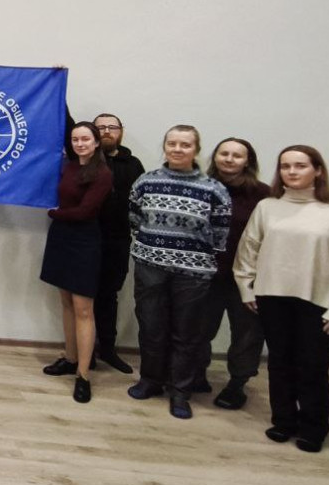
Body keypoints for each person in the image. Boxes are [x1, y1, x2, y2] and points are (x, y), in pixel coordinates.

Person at [234, 145, 329, 453]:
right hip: (272, 298)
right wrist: (246, 288)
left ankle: (313, 427)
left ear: (317, 170)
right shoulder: (268, 207)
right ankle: (284, 421)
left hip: (318, 301)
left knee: (313, 367)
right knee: (279, 363)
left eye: (300, 166)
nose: (291, 171)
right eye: (285, 166)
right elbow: (247, 251)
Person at [127, 125, 231, 420]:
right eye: (172, 143)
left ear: (196, 150)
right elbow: (134, 218)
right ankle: (150, 381)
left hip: (193, 272)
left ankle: (180, 392)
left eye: (185, 145)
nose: (177, 149)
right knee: (151, 327)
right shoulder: (146, 182)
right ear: (165, 147)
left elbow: (221, 234)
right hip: (150, 266)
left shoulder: (214, 189)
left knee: (186, 334)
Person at [40, 122, 113, 403]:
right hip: (61, 238)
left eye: (85, 139)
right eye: (75, 139)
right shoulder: (69, 166)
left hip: (84, 242)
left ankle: (83, 374)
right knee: (66, 303)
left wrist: (54, 213)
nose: (80, 143)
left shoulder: (102, 173)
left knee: (84, 309)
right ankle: (70, 358)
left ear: (96, 143)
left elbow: (84, 212)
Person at [196, 137, 270, 409]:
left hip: (247, 279)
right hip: (206, 275)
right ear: (215, 157)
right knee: (199, 330)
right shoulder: (201, 187)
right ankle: (197, 374)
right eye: (223, 153)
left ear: (248, 161)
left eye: (236, 155)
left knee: (246, 335)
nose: (229, 159)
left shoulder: (264, 194)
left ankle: (237, 384)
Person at [91, 113, 145, 374]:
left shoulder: (134, 165)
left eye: (112, 127)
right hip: (84, 241)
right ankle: (83, 352)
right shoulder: (83, 160)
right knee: (82, 297)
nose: (106, 131)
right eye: (100, 127)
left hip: (117, 241)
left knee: (108, 296)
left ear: (121, 132)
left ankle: (108, 349)